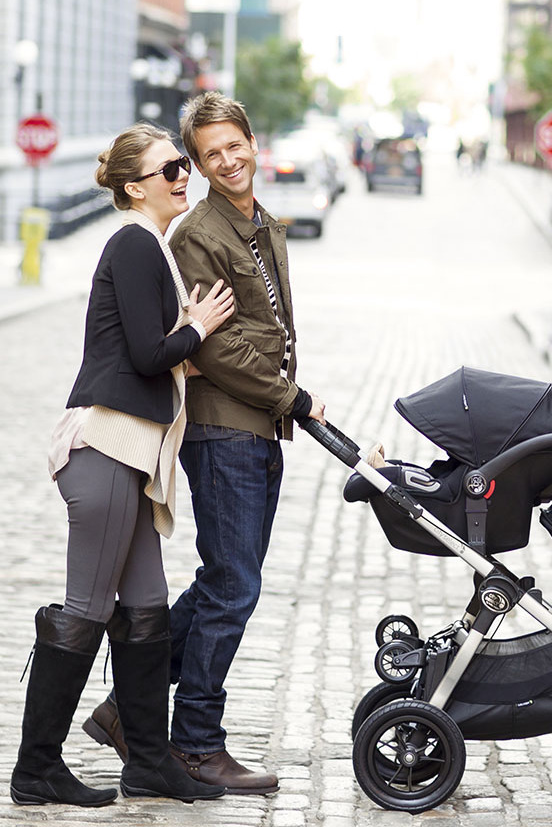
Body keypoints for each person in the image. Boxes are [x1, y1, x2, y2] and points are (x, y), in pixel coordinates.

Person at [83, 92, 326, 795]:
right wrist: (292, 397)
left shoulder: (260, 225)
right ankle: (193, 741)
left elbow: (266, 326)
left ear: (252, 140)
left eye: (233, 144)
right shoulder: (198, 236)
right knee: (231, 585)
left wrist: (282, 392)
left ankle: (128, 714)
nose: (225, 160)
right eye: (208, 153)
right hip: (225, 428)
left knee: (228, 583)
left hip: (255, 426)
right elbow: (216, 351)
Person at [11, 124, 235, 808]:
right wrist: (198, 327)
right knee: (88, 608)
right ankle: (36, 770)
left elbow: (149, 352)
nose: (183, 176)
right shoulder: (134, 242)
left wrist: (188, 335)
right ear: (136, 184)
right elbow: (145, 354)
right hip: (106, 449)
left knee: (146, 611)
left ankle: (148, 764)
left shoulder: (151, 247)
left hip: (130, 454)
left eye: (183, 166)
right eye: (171, 167)